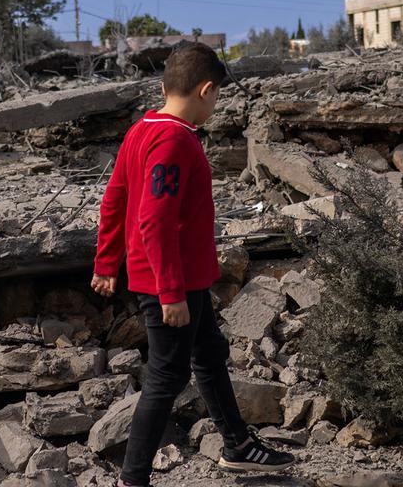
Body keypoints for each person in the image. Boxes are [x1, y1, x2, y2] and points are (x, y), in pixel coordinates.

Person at [92, 42, 295, 487]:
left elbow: (116, 200)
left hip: (181, 279)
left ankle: (238, 445)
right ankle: (133, 479)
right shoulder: (174, 141)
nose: (215, 103)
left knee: (209, 354)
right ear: (206, 90)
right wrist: (170, 293)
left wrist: (107, 263)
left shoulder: (142, 129)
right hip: (172, 283)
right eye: (217, 95)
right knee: (167, 377)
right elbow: (153, 218)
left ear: (165, 86)